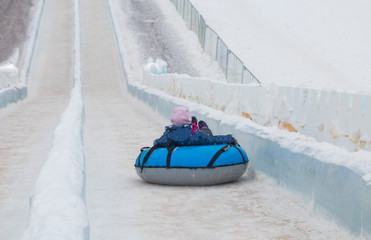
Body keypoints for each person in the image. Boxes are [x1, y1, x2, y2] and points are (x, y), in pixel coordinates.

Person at [153, 106, 236, 147]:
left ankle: (193, 125)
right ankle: (201, 128)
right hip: (192, 133)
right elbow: (212, 140)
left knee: (202, 134)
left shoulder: (168, 135)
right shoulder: (194, 136)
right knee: (206, 133)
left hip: (178, 134)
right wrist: (229, 138)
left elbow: (157, 142)